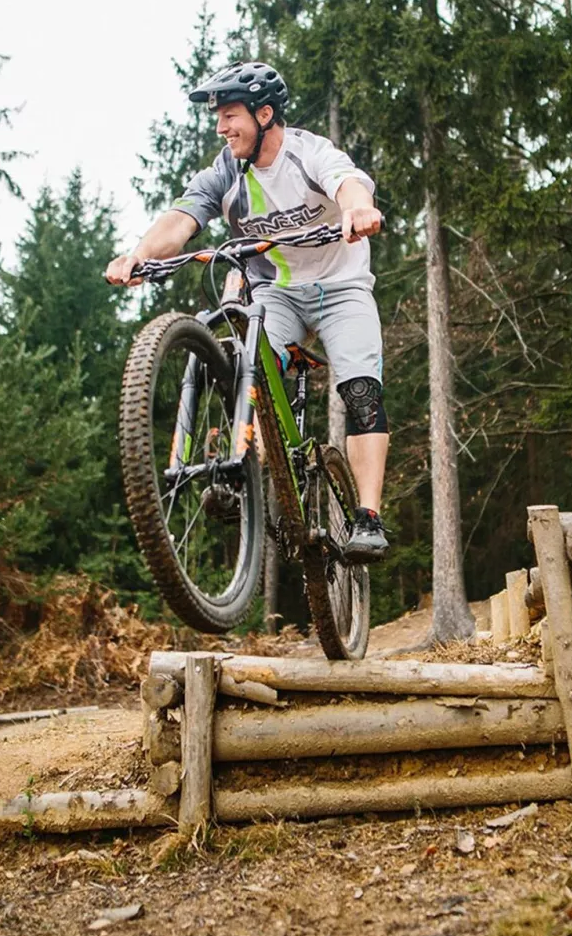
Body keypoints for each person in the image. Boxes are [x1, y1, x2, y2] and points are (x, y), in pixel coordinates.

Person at [106, 60, 391, 561]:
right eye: (217, 117)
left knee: (361, 392)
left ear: (264, 114)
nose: (221, 127)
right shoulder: (226, 170)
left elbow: (347, 181)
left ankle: (367, 517)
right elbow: (182, 218)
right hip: (276, 292)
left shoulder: (308, 153)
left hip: (340, 285)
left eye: (230, 115)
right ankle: (243, 475)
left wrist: (358, 208)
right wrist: (139, 255)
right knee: (248, 372)